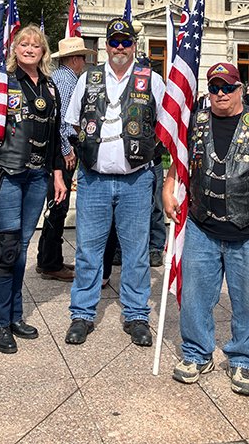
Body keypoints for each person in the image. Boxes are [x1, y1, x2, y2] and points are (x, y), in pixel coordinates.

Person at [163, 63, 249, 394]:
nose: (220, 94)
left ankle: (242, 359)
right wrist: (169, 185)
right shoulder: (196, 122)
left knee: (248, 300)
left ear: (240, 89)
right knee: (195, 297)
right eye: (214, 88)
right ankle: (197, 354)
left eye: (227, 87)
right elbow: (182, 161)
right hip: (202, 225)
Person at [62, 18, 165, 347]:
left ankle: (136, 315)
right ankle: (82, 314)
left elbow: (165, 129)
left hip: (136, 181)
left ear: (134, 44)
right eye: (114, 41)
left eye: (126, 41)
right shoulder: (87, 79)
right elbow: (72, 124)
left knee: (136, 253)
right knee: (88, 251)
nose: (120, 47)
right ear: (105, 45)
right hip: (94, 181)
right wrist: (95, 153)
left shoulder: (153, 80)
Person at [0, 26, 67, 354]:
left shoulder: (51, 86)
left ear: (43, 51)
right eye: (24, 43)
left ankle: (15, 315)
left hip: (37, 178)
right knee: (5, 250)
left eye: (36, 45)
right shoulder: (0, 81)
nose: (29, 49)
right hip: (6, 174)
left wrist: (59, 176)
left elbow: (53, 140)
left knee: (21, 249)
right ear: (14, 48)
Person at [36, 36, 95, 282]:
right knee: (58, 204)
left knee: (56, 204)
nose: (84, 62)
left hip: (63, 146)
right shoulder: (66, 81)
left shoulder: (63, 78)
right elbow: (60, 119)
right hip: (63, 147)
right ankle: (50, 261)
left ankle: (49, 258)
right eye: (82, 58)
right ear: (74, 59)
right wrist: (66, 149)